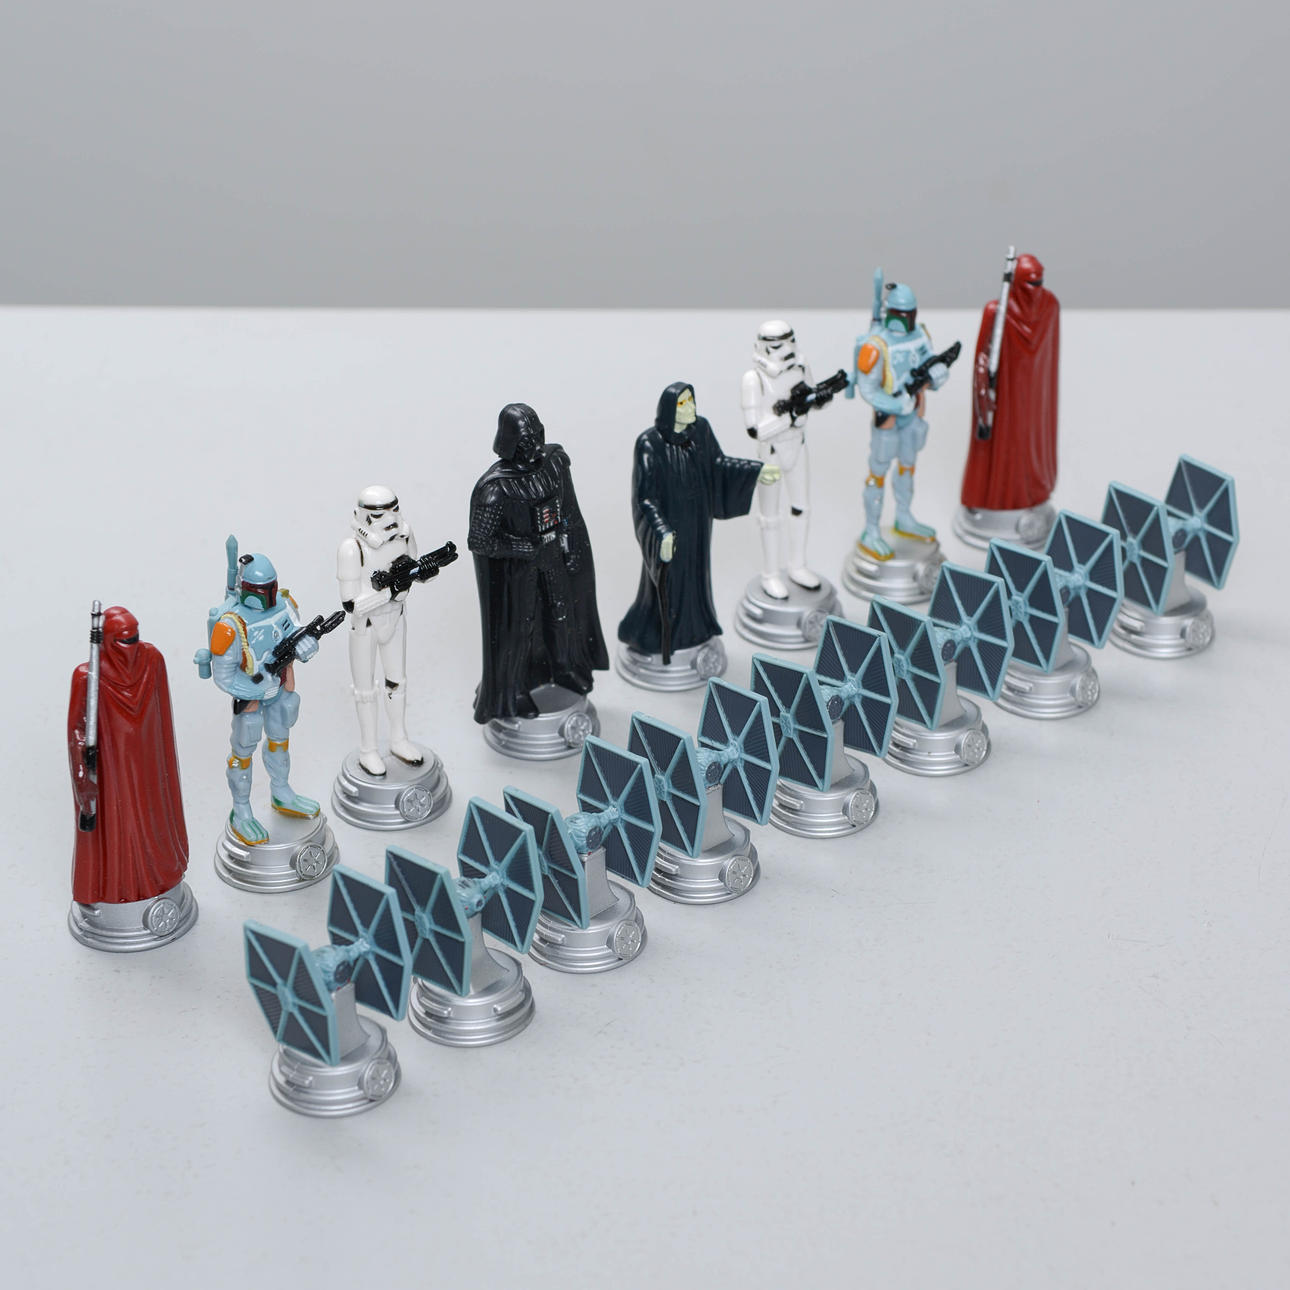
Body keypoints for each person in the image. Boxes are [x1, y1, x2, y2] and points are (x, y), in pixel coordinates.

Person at [468, 403, 607, 722]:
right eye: (526, 439)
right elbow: (479, 540)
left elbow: (568, 511)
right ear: (510, 441)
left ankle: (564, 668)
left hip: (553, 554)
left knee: (562, 613)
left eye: (537, 435)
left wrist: (572, 547)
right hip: (518, 571)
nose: (534, 445)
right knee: (520, 628)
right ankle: (515, 690)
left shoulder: (554, 465)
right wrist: (521, 546)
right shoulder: (495, 488)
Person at [618, 382, 772, 658]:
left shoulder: (700, 430)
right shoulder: (649, 444)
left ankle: (696, 629)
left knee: (697, 576)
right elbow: (645, 497)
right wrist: (661, 532)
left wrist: (755, 471)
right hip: (670, 527)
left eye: (691, 400)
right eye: (683, 403)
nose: (691, 407)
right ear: (669, 408)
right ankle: (658, 635)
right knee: (669, 581)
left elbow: (717, 466)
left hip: (698, 522)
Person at [68, 605, 190, 906]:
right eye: (123, 640)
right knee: (119, 821)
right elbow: (77, 729)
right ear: (107, 640)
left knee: (153, 815)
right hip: (112, 765)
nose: (131, 647)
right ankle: (119, 888)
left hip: (149, 757)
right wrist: (84, 771)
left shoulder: (152, 660)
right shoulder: (87, 676)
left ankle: (159, 877)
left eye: (134, 637)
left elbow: (161, 713)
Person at [205, 552, 324, 845]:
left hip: (281, 684)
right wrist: (256, 689)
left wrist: (307, 644)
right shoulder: (230, 625)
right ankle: (241, 811)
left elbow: (295, 633)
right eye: (262, 589)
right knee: (244, 748)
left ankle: (281, 792)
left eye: (271, 587)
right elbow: (224, 677)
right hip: (253, 696)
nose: (268, 595)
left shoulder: (285, 605)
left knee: (280, 739)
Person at [849, 279, 957, 560]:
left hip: (914, 413)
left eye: (909, 313)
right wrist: (896, 403)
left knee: (908, 467)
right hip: (888, 419)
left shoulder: (920, 334)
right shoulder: (876, 345)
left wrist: (938, 376)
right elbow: (868, 389)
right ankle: (871, 531)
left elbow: (930, 363)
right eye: (900, 313)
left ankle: (904, 517)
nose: (905, 319)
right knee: (878, 473)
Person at [741, 321, 842, 599]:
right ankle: (770, 574)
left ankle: (797, 565)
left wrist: (821, 399)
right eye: (777, 345)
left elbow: (815, 398)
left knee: (801, 508)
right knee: (769, 517)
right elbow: (755, 429)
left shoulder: (800, 365)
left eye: (789, 342)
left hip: (798, 445)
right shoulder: (754, 378)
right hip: (771, 453)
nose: (785, 350)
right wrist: (790, 418)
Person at [960, 253, 1059, 514]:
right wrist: (984, 386)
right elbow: (983, 354)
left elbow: (1049, 355)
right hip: (1004, 392)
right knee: (998, 442)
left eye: (1039, 282)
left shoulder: (1050, 306)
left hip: (1035, 392)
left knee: (1030, 441)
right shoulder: (996, 311)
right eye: (1029, 283)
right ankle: (991, 497)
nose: (1035, 290)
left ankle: (1031, 493)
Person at [337, 485, 423, 776]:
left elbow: (414, 569)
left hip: (396, 617)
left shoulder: (404, 535)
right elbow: (351, 604)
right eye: (379, 514)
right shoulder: (352, 548)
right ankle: (368, 749)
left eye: (393, 510)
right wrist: (390, 593)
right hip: (366, 626)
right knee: (365, 691)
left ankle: (398, 739)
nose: (389, 519)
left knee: (397, 682)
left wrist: (422, 574)